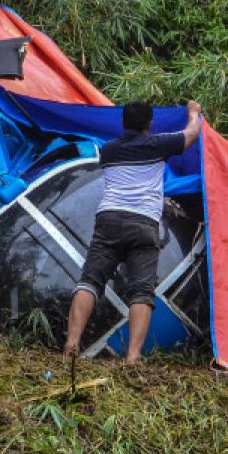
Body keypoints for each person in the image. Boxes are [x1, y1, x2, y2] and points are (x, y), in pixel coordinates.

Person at [63, 100, 202, 365]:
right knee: (141, 290)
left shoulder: (108, 150)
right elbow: (192, 134)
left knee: (90, 281)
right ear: (149, 125)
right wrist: (193, 113)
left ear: (123, 123)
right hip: (144, 223)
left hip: (109, 219)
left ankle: (71, 343)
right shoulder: (158, 144)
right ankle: (133, 356)